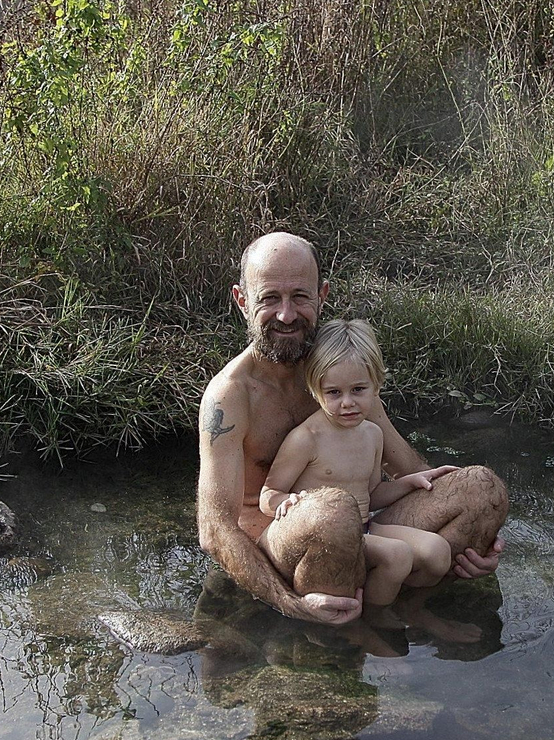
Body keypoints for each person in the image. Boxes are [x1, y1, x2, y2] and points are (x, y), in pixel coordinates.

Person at [196, 230, 508, 625]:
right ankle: (342, 632)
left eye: (300, 297)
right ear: (242, 301)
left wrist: (477, 538)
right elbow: (215, 530)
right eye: (269, 299)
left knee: (481, 488)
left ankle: (404, 609)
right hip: (280, 550)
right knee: (333, 513)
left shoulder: (341, 374)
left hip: (363, 528)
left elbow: (411, 469)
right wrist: (289, 605)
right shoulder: (230, 396)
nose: (287, 315)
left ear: (322, 295)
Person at [257, 318, 460, 609]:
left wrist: (409, 483)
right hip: (328, 540)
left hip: (365, 528)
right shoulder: (306, 439)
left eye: (358, 390)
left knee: (438, 552)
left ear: (376, 385)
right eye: (334, 392)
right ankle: (375, 621)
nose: (347, 402)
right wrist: (285, 501)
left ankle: (409, 608)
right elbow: (268, 495)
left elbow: (371, 494)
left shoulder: (373, 434)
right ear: (315, 389)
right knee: (397, 555)